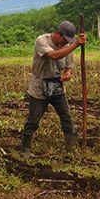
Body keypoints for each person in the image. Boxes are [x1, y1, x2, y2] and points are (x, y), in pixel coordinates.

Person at [21, 21, 87, 157]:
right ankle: (25, 149)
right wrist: (76, 44)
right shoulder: (41, 41)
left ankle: (72, 149)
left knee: (66, 117)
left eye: (68, 42)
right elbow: (54, 56)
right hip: (39, 87)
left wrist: (68, 73)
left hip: (57, 86)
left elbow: (69, 66)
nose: (65, 43)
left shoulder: (67, 46)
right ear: (57, 34)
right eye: (64, 40)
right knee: (34, 120)